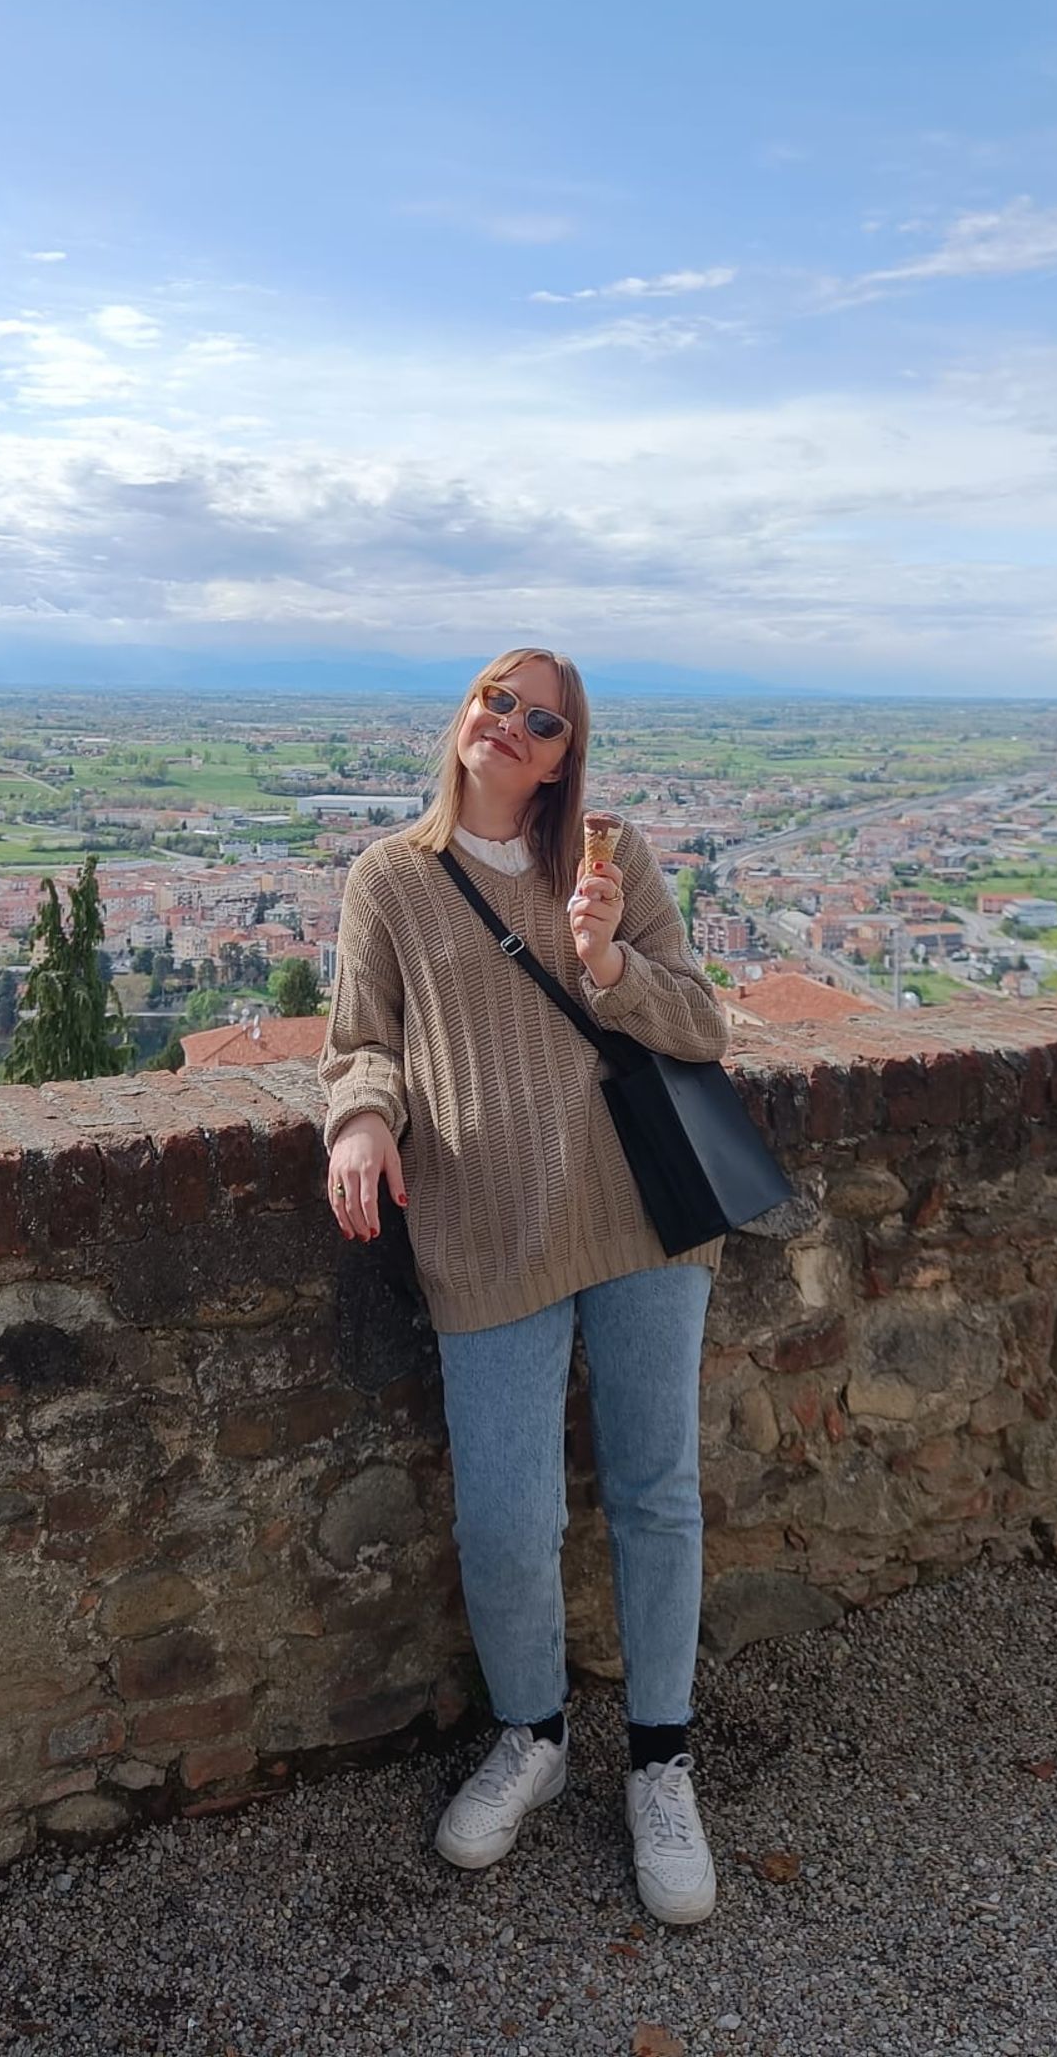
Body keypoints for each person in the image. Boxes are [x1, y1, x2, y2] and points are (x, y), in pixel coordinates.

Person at [318, 646, 731, 1925]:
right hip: (488, 1226)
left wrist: (609, 964)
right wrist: (358, 1123)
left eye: (541, 717)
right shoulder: (389, 877)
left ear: (563, 756)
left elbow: (702, 1025)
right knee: (506, 1518)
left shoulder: (611, 864)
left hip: (641, 1215)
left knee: (655, 1493)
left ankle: (660, 1761)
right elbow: (359, 1043)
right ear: (466, 716)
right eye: (498, 699)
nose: (511, 723)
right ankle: (534, 1738)